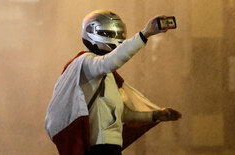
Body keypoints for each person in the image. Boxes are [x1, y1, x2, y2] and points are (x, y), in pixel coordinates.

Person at [45, 10, 182, 155]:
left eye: (119, 34)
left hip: (111, 148)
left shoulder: (106, 72)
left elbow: (119, 114)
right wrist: (145, 34)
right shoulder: (86, 63)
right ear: (91, 31)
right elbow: (110, 61)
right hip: (97, 148)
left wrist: (154, 115)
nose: (116, 38)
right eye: (108, 34)